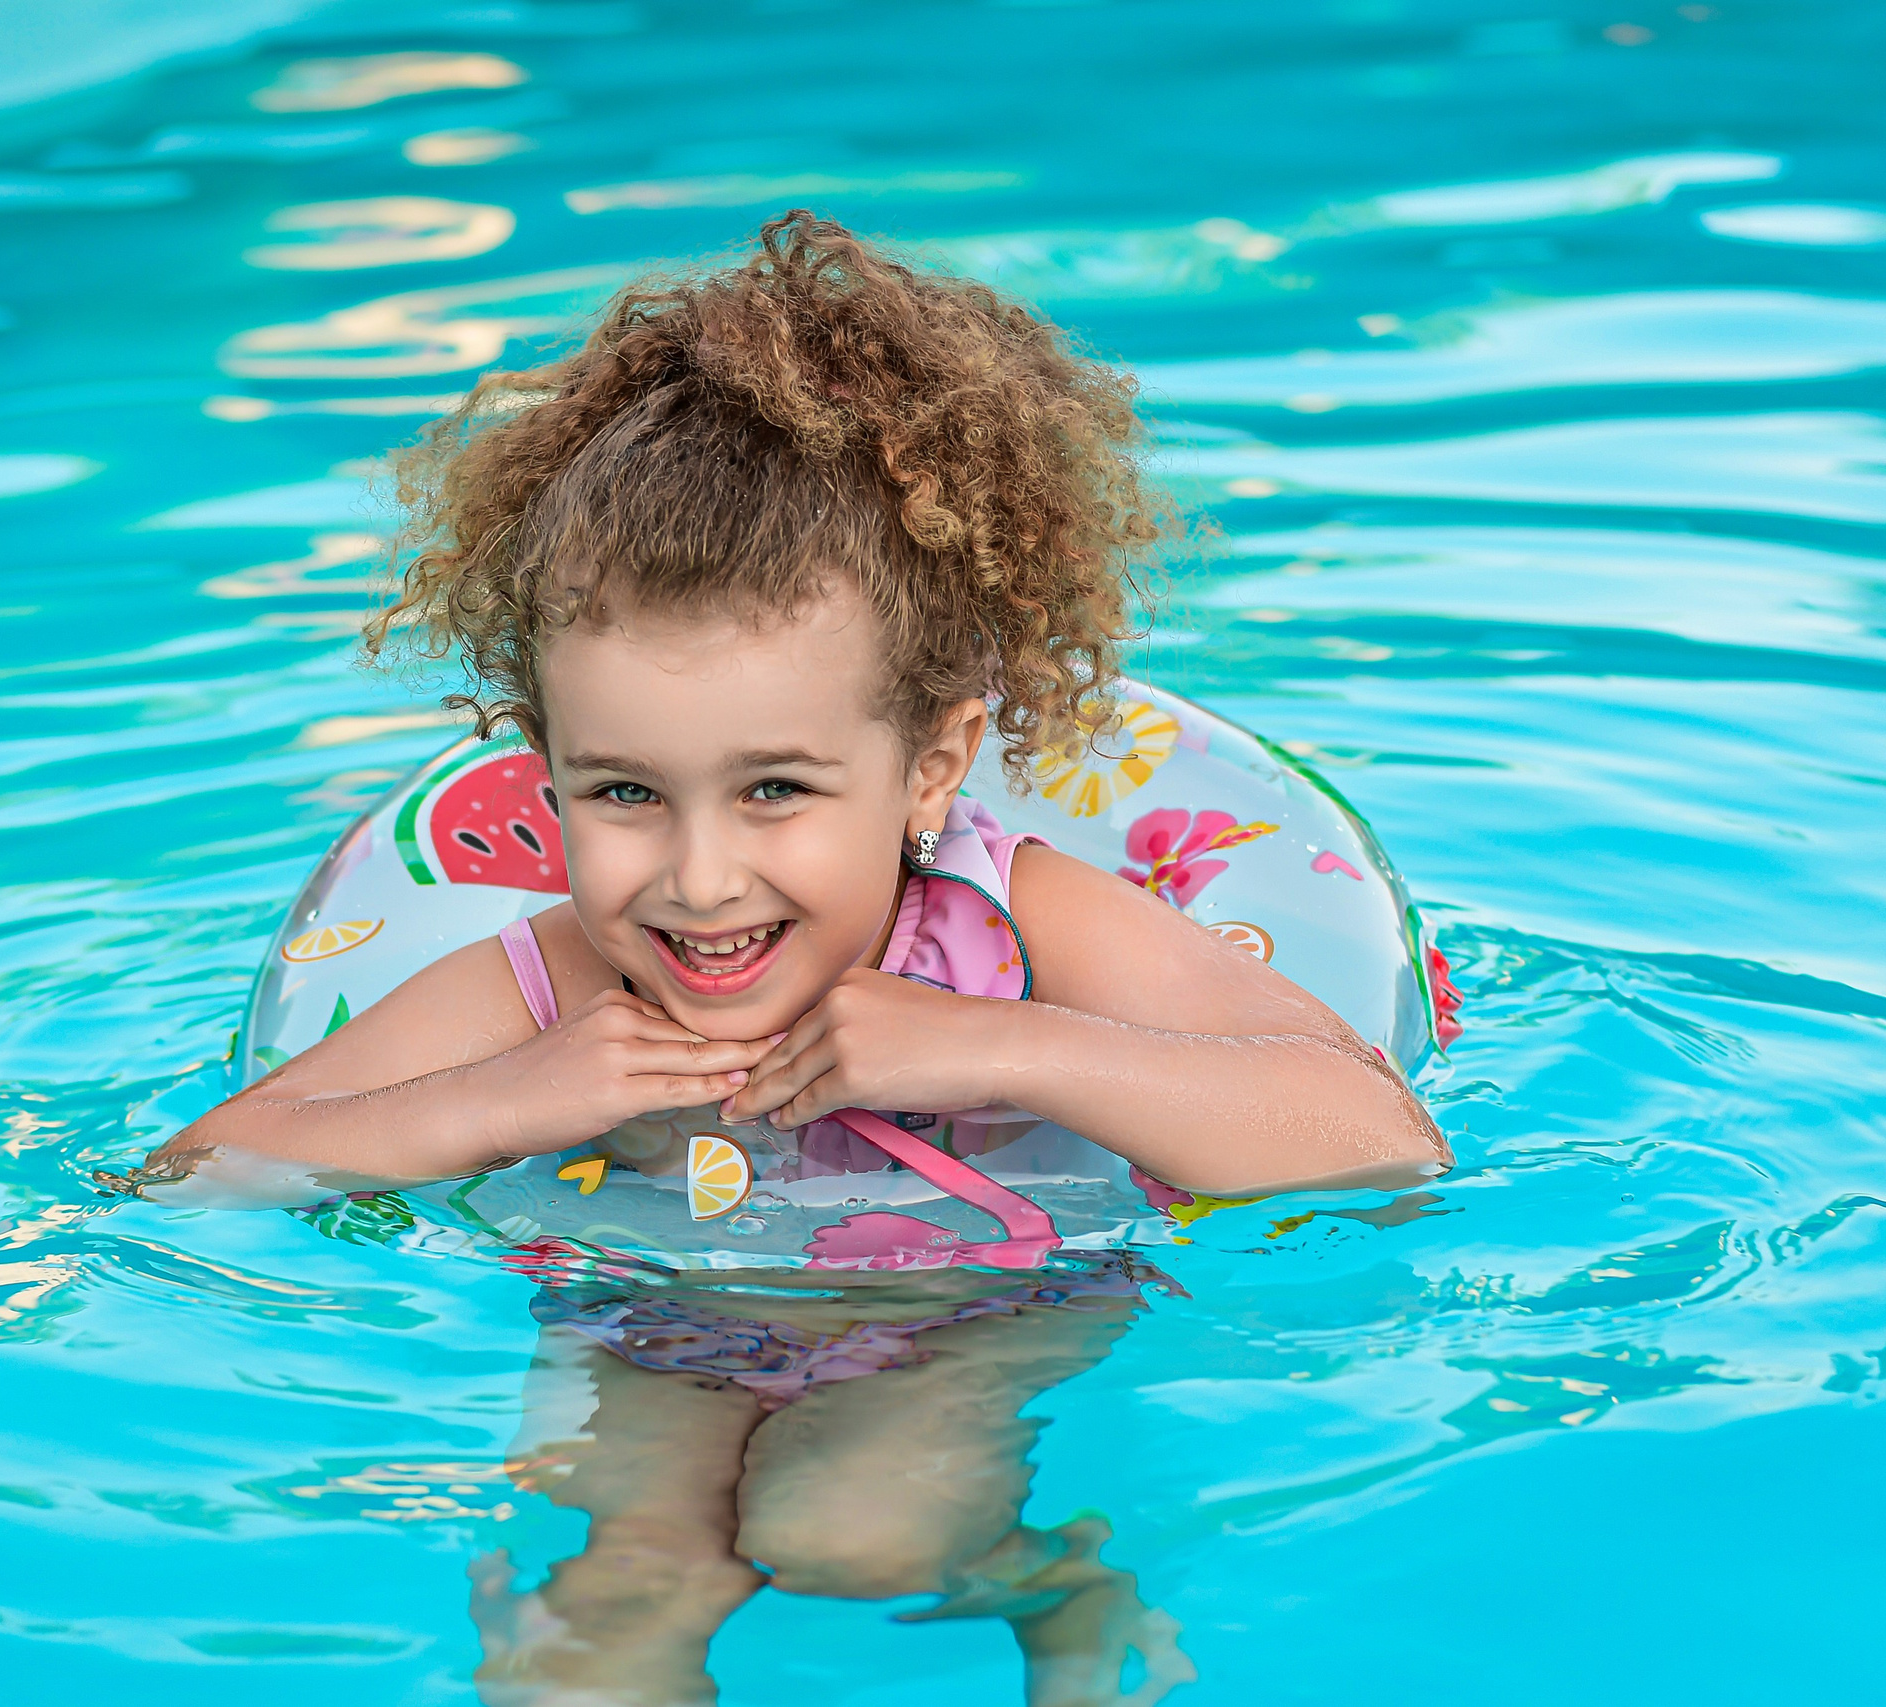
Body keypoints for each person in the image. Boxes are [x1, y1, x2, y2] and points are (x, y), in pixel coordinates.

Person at [141, 211, 1448, 1703]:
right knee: (612, 1610)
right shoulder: (556, 984)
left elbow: (1376, 1137)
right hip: (651, 1324)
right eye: (624, 793)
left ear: (931, 763)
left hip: (966, 1316)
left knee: (851, 1535)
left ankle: (1047, 1575)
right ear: (544, 771)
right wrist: (500, 1101)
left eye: (775, 789)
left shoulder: (1020, 927)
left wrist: (997, 1048)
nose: (699, 880)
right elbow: (197, 1176)